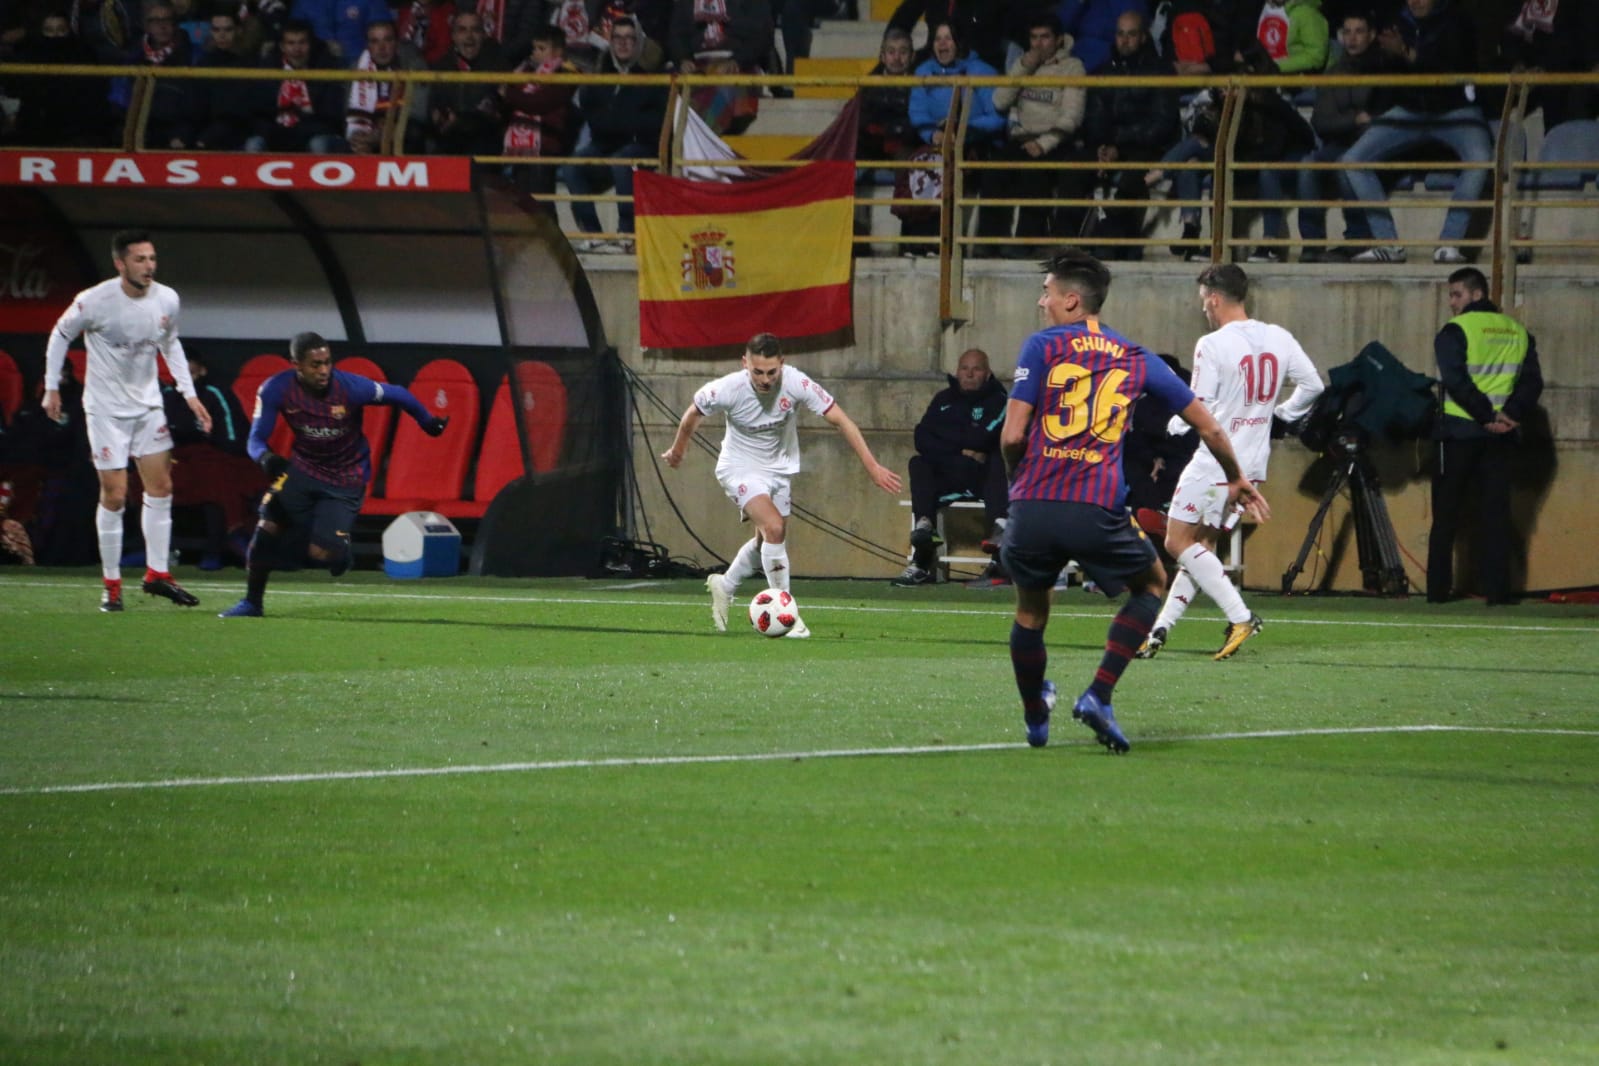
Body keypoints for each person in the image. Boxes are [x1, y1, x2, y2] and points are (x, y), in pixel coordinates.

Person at [998, 248, 1268, 752]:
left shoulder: (1041, 347)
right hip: (1095, 507)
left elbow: (1013, 435)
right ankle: (1099, 694)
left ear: (1072, 301)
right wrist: (1236, 476)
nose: (1042, 302)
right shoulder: (1134, 356)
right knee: (1150, 586)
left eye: (1047, 293)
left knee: (1031, 613)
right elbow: (1206, 424)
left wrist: (1020, 488)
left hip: (1034, 503)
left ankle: (1036, 715)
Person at [661, 332, 903, 638]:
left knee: (767, 542)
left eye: (771, 372)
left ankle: (726, 584)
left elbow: (842, 420)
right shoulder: (728, 388)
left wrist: (873, 467)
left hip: (779, 471)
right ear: (744, 364)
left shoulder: (796, 383)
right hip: (739, 469)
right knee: (774, 528)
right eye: (757, 372)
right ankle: (787, 614)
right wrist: (678, 451)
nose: (765, 379)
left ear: (782, 365)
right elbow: (692, 414)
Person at [1139, 263, 1322, 660]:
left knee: (1176, 541)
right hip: (1253, 464)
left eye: (1204, 301)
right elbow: (1314, 385)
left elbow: (1199, 403)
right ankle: (1159, 630)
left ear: (1215, 298)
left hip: (1217, 461)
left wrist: (1174, 422)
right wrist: (1282, 416)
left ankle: (1241, 616)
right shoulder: (1278, 337)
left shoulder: (1213, 344)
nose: (1204, 309)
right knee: (1201, 547)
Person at [219, 332, 449, 617]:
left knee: (322, 554)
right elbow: (255, 440)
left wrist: (428, 423)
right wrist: (265, 458)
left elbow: (398, 394)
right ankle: (252, 602)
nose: (324, 370)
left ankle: (342, 552)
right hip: (303, 469)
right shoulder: (275, 390)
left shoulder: (350, 388)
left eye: (327, 362)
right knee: (266, 526)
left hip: (346, 477)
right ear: (296, 365)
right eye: (315, 364)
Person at [41, 230, 212, 612]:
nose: (149, 266)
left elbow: (171, 343)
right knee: (116, 494)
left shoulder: (167, 298)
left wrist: (189, 394)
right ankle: (112, 584)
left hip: (148, 408)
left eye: (152, 258)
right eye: (140, 259)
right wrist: (52, 387)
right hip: (105, 411)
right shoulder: (94, 301)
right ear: (120, 264)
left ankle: (157, 574)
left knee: (162, 487)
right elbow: (60, 334)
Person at [1426, 267, 1543, 605]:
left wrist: (1485, 416)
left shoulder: (1455, 331)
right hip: (1502, 436)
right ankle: (1497, 591)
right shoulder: (1517, 331)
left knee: (1446, 515)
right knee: (1496, 515)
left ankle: (1437, 592)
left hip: (1460, 432)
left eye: (1456, 294)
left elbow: (1456, 380)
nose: (1451, 302)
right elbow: (1532, 382)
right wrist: (1510, 415)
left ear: (1477, 294)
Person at [1343, 0, 1492, 264]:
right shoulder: (1395, 20)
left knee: (1481, 159)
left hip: (1454, 110)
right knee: (1353, 160)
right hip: (1410, 110)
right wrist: (1388, 54)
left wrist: (1408, 53)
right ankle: (1388, 245)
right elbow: (1382, 67)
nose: (1417, 1)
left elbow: (1455, 66)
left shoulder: (1457, 20)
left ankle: (1449, 244)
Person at [892, 348, 1009, 587]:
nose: (969, 374)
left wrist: (947, 441)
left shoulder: (999, 400)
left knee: (997, 457)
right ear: (957, 372)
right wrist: (962, 449)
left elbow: (984, 439)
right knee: (919, 463)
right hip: (951, 475)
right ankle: (923, 551)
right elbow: (921, 437)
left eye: (976, 369)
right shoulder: (943, 400)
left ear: (987, 374)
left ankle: (1000, 552)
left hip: (983, 480)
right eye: (964, 368)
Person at [978, 13, 1087, 257]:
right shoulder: (1024, 64)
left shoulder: (1073, 67)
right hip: (1022, 138)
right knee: (993, 169)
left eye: (1045, 37)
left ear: (1058, 40)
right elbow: (999, 102)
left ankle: (1025, 243)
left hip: (1055, 140)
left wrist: (1043, 144)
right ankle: (987, 242)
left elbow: (1071, 117)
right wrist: (1023, 68)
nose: (1038, 44)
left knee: (1034, 173)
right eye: (1034, 38)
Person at [1296, 10, 1397, 261]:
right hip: (1339, 143)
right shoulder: (1334, 72)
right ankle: (1312, 244)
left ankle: (1358, 238)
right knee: (1307, 165)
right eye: (1347, 32)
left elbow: (1381, 118)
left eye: (1359, 31)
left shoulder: (1385, 68)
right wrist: (1354, 119)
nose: (1352, 38)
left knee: (1347, 164)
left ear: (1372, 35)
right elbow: (1321, 121)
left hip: (1373, 146)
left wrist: (1351, 122)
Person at [1079, 9, 1180, 260]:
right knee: (1074, 169)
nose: (1124, 40)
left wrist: (1118, 144)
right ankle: (1065, 245)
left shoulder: (1160, 71)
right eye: (1120, 34)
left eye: (1131, 34)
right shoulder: (1105, 71)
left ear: (1144, 37)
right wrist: (1103, 146)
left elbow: (1162, 124)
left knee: (1131, 180)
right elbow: (1094, 116)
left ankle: (1109, 245)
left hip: (1148, 147)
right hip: (1112, 144)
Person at [559, 16, 666, 251]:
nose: (623, 43)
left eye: (630, 38)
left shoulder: (652, 74)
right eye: (617, 37)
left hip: (642, 147)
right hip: (605, 145)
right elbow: (593, 115)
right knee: (572, 166)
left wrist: (617, 120)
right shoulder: (602, 73)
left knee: (622, 160)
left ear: (638, 41)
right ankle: (594, 235)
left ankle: (626, 233)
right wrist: (622, 120)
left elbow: (653, 122)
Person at [248, 19, 350, 153]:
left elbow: (331, 120)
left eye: (302, 42)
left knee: (318, 144)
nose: (297, 49)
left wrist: (298, 131)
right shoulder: (268, 70)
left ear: (310, 44)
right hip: (275, 135)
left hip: (313, 135)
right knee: (253, 144)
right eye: (291, 43)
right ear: (282, 46)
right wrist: (275, 133)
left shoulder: (326, 69)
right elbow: (258, 114)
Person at [346, 18, 429, 154]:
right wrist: (358, 137)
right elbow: (348, 112)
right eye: (375, 41)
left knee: (414, 132)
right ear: (368, 46)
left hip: (402, 131)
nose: (382, 48)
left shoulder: (414, 66)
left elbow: (418, 114)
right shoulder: (356, 69)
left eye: (388, 40)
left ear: (396, 43)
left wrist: (386, 131)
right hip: (368, 132)